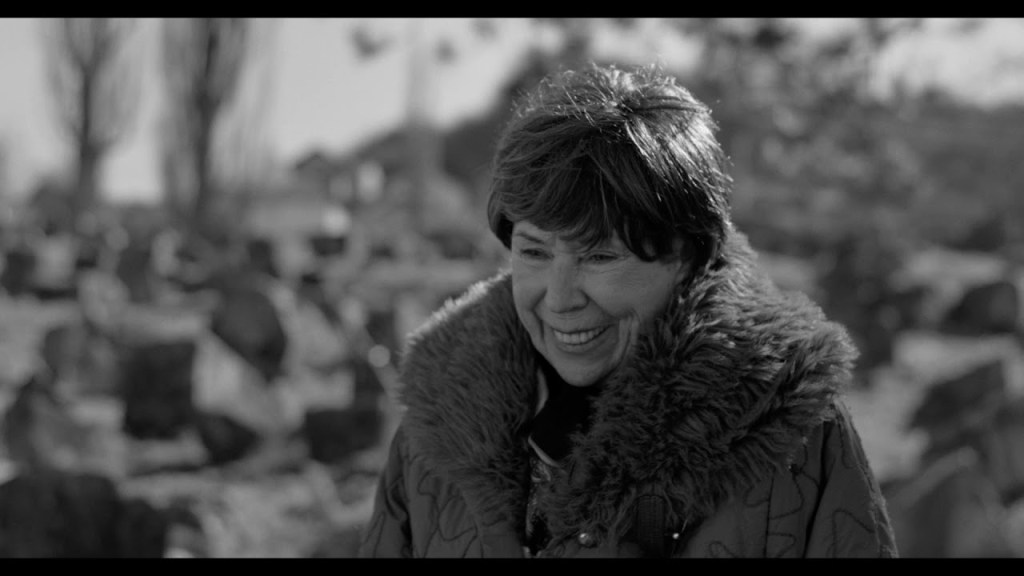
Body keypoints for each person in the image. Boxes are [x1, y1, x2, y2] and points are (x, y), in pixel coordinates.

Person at [357, 63, 897, 558]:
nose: (561, 297)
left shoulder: (796, 433)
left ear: (688, 254)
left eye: (600, 255)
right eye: (535, 252)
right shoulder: (436, 428)